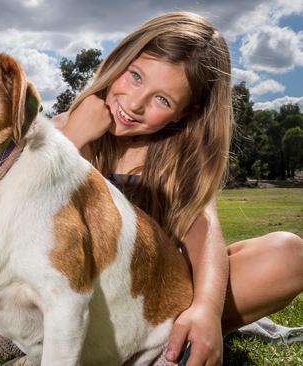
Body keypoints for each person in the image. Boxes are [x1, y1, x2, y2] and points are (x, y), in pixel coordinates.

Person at [55, 11, 303, 365]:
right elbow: (15, 211)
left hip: (154, 299)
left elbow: (206, 235)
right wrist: (72, 139)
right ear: (120, 59)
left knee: (288, 254)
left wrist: (204, 309)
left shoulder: (176, 158)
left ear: (184, 114)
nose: (135, 103)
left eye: (162, 100)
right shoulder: (63, 130)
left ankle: (177, 338)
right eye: (136, 76)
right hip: (71, 294)